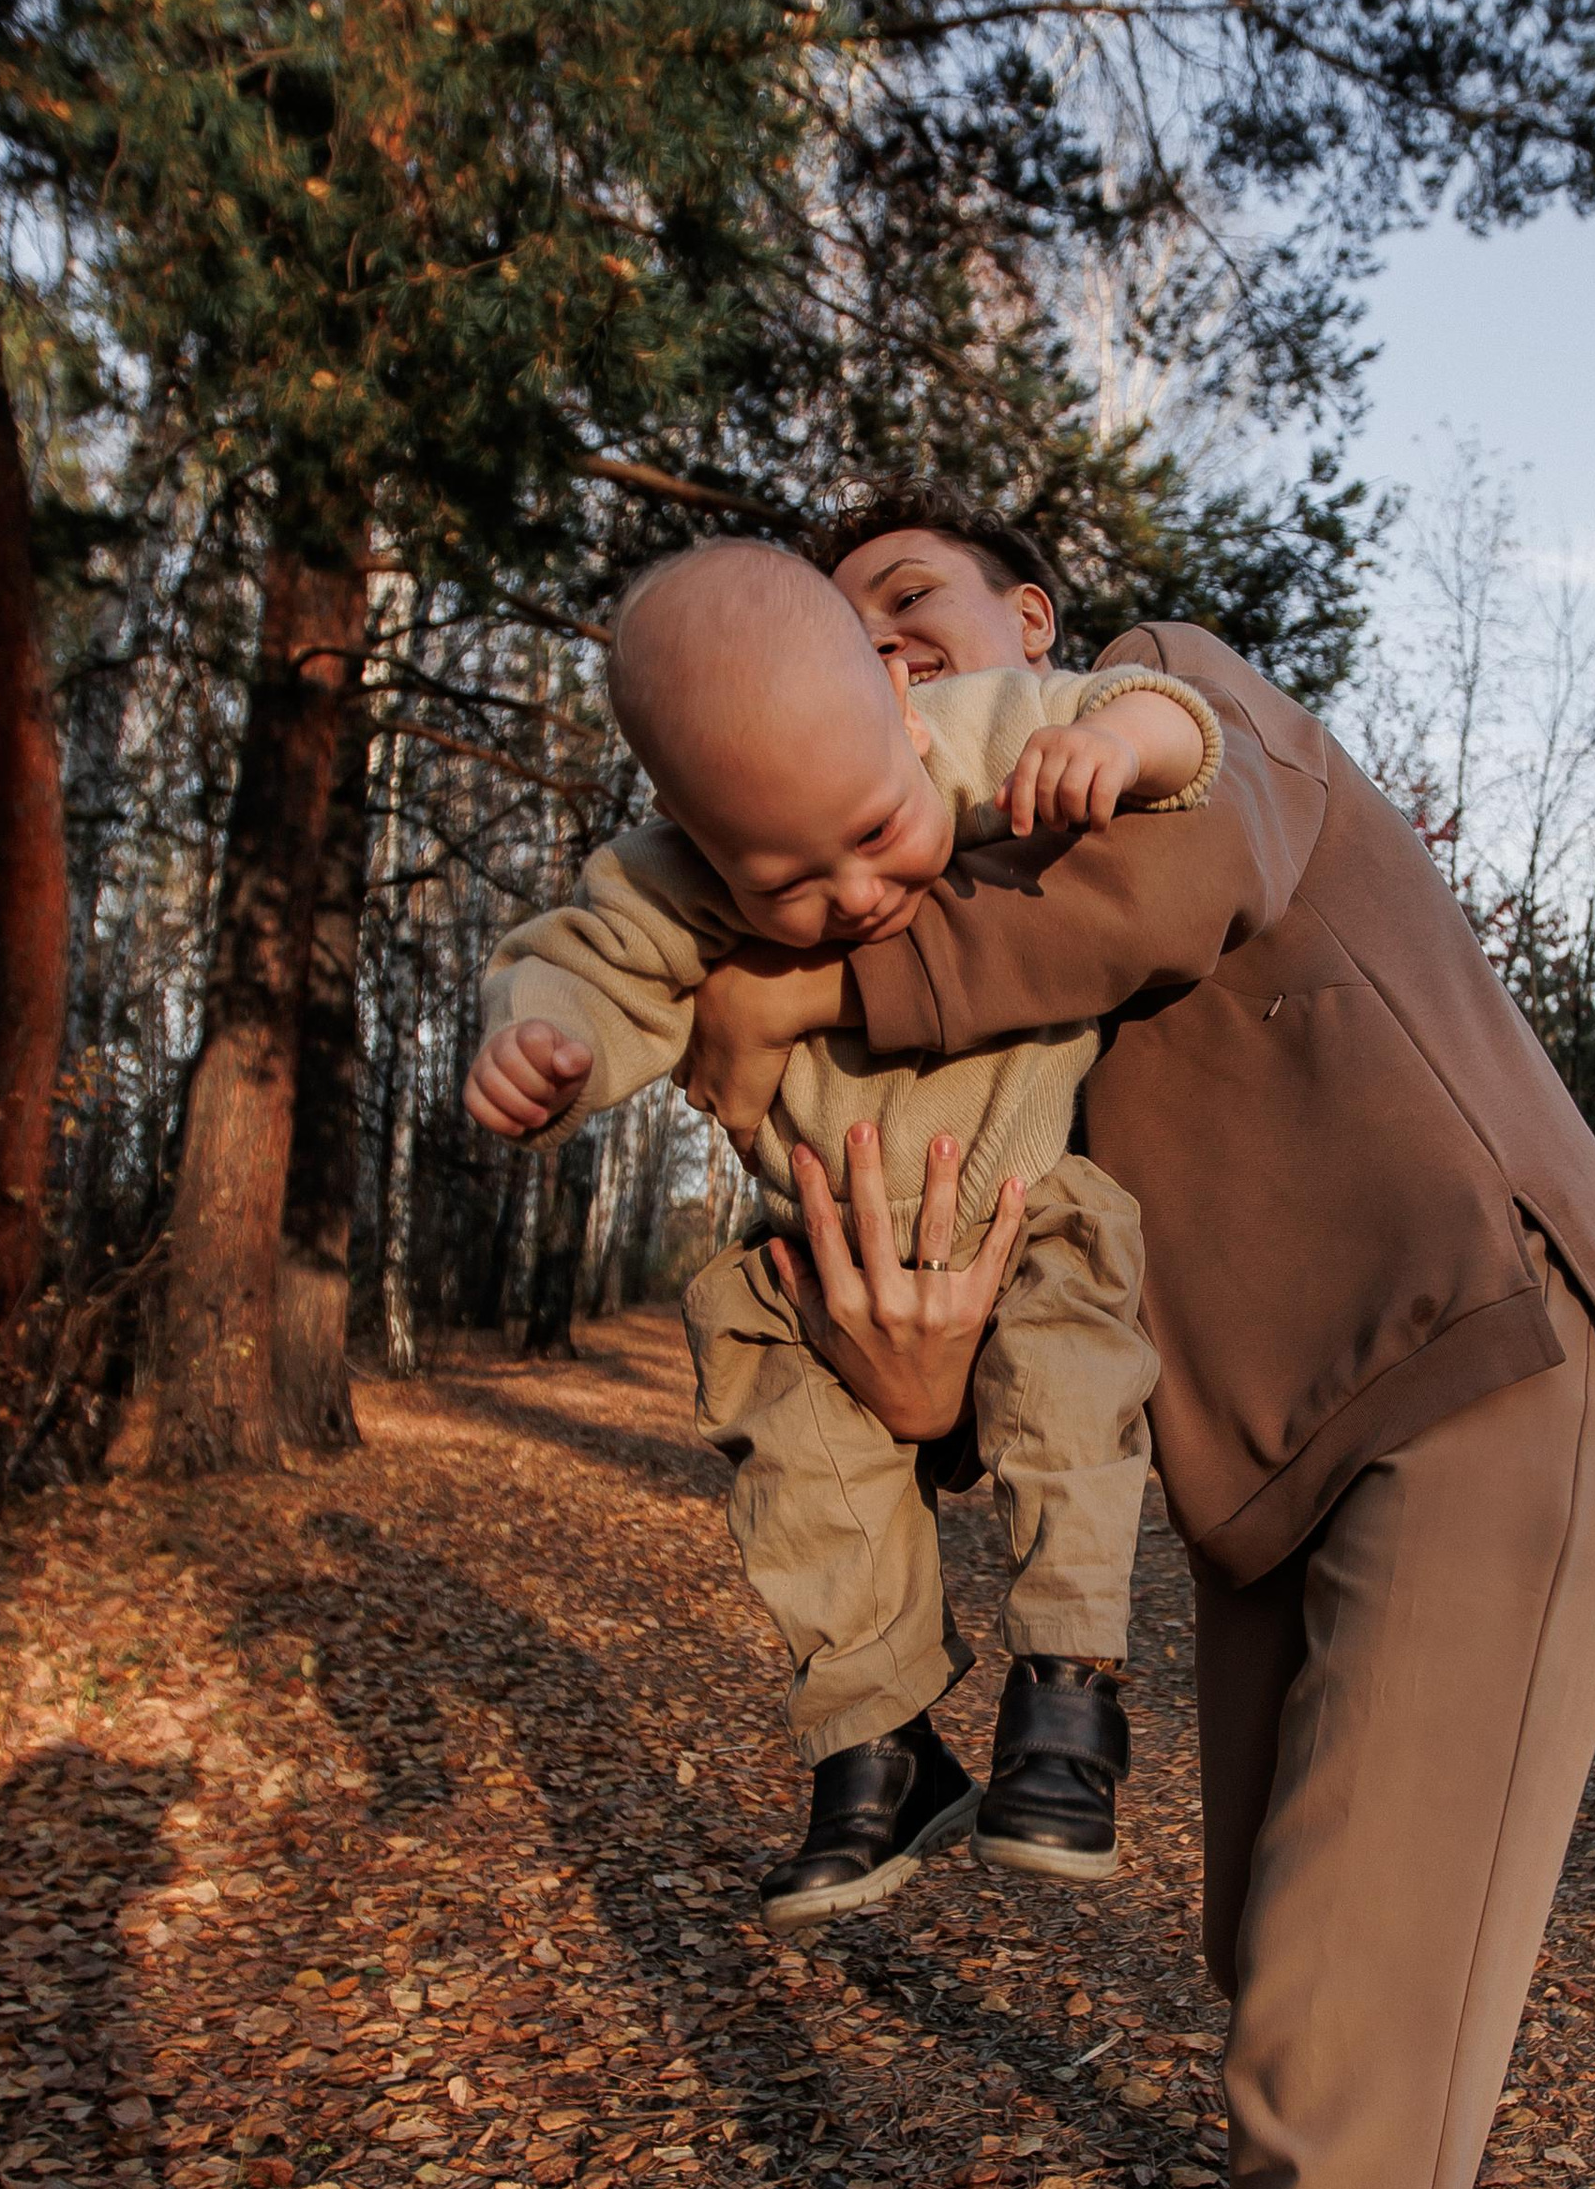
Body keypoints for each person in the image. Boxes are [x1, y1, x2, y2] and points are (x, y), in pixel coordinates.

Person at [668, 489, 1595, 2189]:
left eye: (909, 628)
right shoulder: (961, 1007)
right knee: (1277, 1970)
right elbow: (955, 1370)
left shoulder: (1171, 699)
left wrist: (792, 998)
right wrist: (901, 1375)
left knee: (1341, 2038)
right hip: (1271, 1487)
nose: (885, 695)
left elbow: (1186, 867)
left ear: (1018, 624)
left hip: (1493, 1365)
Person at [464, 539, 1224, 1923]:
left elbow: (1184, 728)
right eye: (787, 884)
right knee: (779, 1413)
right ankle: (875, 1749)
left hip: (1019, 1198)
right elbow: (579, 961)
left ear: (895, 695)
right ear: (692, 834)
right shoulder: (671, 876)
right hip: (824, 1248)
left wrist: (1116, 738)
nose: (858, 896)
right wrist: (545, 1041)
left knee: (1074, 1370)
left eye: (876, 834)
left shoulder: (970, 736)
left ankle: (1067, 1697)